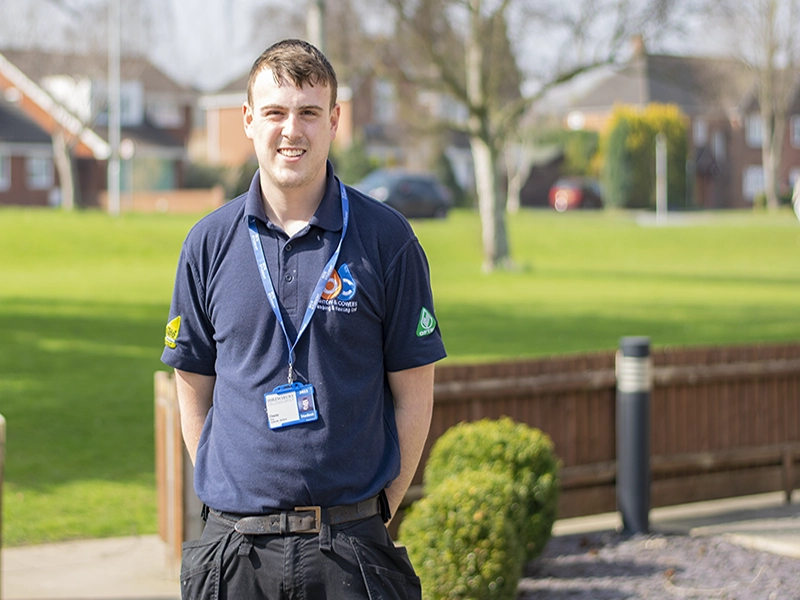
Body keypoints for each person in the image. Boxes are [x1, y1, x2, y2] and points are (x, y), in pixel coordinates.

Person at [161, 38, 446, 599]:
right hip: (235, 553)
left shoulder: (388, 241)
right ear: (248, 120)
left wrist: (381, 506)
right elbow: (192, 381)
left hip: (351, 551)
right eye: (275, 112)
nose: (292, 130)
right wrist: (223, 483)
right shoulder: (207, 244)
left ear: (334, 120)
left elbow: (414, 392)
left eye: (309, 113)